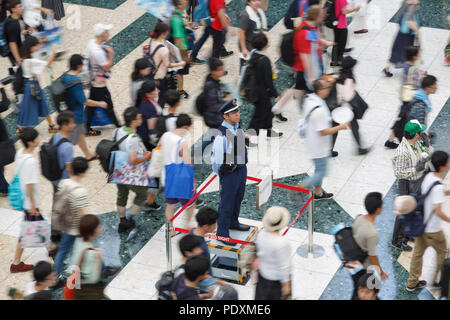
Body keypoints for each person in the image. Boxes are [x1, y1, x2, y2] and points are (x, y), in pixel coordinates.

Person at [274, 6, 333, 116]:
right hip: (305, 68)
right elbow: (304, 55)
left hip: (311, 66)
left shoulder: (310, 27)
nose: (323, 17)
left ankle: (281, 107)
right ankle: (279, 108)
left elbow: (314, 39)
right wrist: (310, 75)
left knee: (299, 89)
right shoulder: (303, 33)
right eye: (321, 15)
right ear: (316, 17)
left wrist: (323, 42)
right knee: (299, 90)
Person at [296, 79, 350, 200]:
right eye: (327, 87)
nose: (329, 89)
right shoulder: (319, 111)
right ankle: (302, 186)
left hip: (312, 142)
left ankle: (318, 193)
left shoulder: (310, 99)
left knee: (318, 169)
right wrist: (340, 127)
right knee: (321, 172)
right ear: (320, 91)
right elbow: (323, 132)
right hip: (319, 146)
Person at [407, 151, 450, 292]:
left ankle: (412, 283)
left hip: (422, 226)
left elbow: (431, 193)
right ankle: (435, 281)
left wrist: (447, 192)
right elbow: (437, 211)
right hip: (433, 230)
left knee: (417, 255)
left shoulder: (429, 177)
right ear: (443, 166)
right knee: (442, 252)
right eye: (447, 162)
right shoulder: (437, 186)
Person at [211, 100, 249, 245]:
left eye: (238, 111)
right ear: (225, 116)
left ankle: (233, 222)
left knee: (238, 197)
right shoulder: (221, 136)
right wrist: (222, 175)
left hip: (241, 169)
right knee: (227, 202)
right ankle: (222, 233)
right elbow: (217, 160)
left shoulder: (236, 127)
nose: (238, 114)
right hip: (230, 173)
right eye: (234, 113)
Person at [392, 120, 433, 251]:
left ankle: (408, 234)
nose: (422, 134)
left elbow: (425, 155)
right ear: (415, 134)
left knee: (414, 207)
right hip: (407, 183)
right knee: (404, 209)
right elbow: (399, 173)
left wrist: (427, 145)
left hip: (418, 180)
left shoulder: (417, 143)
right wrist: (416, 169)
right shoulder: (402, 152)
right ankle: (396, 240)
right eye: (420, 132)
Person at [114, 107, 151, 233]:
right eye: (139, 118)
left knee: (121, 195)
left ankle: (122, 221)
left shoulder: (118, 130)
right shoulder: (133, 138)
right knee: (141, 194)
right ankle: (130, 220)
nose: (141, 119)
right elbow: (133, 160)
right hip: (132, 173)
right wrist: (146, 157)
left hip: (119, 169)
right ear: (133, 121)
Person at [53, 157, 90, 285]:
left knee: (63, 250)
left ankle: (55, 277)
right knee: (79, 251)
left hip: (64, 223)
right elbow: (81, 214)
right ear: (83, 172)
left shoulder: (64, 183)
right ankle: (78, 276)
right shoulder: (80, 191)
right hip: (75, 228)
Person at [65, 54, 108, 159]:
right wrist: (100, 103)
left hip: (67, 111)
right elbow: (84, 101)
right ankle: (63, 159)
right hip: (75, 115)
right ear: (79, 66)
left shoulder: (66, 76)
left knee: (79, 134)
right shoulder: (76, 82)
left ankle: (87, 154)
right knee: (70, 139)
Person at [160, 114, 197, 236]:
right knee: (190, 204)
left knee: (170, 204)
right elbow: (187, 163)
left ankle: (171, 229)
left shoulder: (165, 135)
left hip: (167, 176)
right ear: (185, 127)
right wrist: (193, 181)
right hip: (180, 179)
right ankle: (187, 225)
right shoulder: (182, 142)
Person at [10, 127, 40, 273]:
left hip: (22, 198)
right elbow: (29, 185)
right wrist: (33, 206)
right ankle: (16, 263)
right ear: (30, 142)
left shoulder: (19, 153)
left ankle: (53, 247)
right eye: (36, 139)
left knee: (33, 227)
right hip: (29, 202)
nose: (38, 141)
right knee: (29, 229)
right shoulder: (31, 161)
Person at [385, 46, 426, 148]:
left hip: (405, 96)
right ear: (415, 56)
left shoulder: (406, 65)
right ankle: (392, 140)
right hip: (411, 99)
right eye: (418, 54)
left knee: (402, 118)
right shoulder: (414, 70)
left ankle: (391, 140)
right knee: (403, 119)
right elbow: (416, 85)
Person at [16, 36, 58, 135]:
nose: (38, 47)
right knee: (29, 106)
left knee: (40, 103)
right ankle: (21, 128)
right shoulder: (30, 61)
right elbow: (47, 63)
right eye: (36, 45)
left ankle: (51, 125)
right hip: (32, 86)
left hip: (31, 85)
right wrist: (54, 51)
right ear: (31, 47)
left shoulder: (26, 58)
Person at [85, 23, 121, 136]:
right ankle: (120, 128)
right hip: (99, 83)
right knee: (108, 106)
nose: (108, 34)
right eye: (107, 32)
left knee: (91, 106)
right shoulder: (98, 52)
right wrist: (111, 54)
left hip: (94, 81)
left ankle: (86, 127)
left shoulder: (91, 43)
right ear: (102, 35)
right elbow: (106, 67)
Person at [246, 33, 282, 145]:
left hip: (255, 89)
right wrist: (275, 94)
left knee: (268, 111)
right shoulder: (264, 60)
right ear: (265, 44)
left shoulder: (254, 54)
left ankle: (269, 131)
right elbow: (268, 81)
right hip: (261, 92)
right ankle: (246, 138)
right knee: (258, 115)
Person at [351, 192, 388, 300]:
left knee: (356, 286)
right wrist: (380, 272)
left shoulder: (359, 218)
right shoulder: (372, 233)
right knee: (365, 289)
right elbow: (373, 256)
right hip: (363, 265)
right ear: (378, 209)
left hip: (351, 260)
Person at [332, 56, 369, 155]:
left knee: (335, 128)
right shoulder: (348, 79)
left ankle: (329, 150)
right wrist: (354, 93)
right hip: (346, 108)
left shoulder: (338, 74)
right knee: (354, 127)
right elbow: (348, 97)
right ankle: (360, 148)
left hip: (336, 106)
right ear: (351, 67)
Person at [254, 206, 292, 300]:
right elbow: (284, 266)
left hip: (262, 277)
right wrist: (286, 285)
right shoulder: (281, 243)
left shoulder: (261, 234)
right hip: (275, 282)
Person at [148, 22, 186, 106]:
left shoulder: (152, 41)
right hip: (161, 75)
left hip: (153, 72)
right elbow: (168, 65)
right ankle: (159, 112)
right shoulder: (163, 50)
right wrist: (180, 64)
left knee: (159, 93)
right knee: (162, 97)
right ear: (163, 33)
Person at [198, 57, 231, 153]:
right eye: (220, 70)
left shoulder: (212, 81)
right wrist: (225, 101)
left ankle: (201, 150)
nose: (222, 71)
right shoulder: (211, 86)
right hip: (213, 117)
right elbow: (213, 106)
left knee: (216, 134)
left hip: (213, 116)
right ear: (213, 72)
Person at [383, 0, 420, 77]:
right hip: (408, 34)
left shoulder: (405, 2)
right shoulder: (412, 6)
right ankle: (410, 71)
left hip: (401, 32)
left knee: (397, 52)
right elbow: (409, 21)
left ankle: (387, 68)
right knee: (408, 52)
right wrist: (417, 31)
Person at [70, 214, 104, 296]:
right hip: (86, 289)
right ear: (92, 231)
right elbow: (94, 279)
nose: (100, 228)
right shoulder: (92, 253)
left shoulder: (79, 240)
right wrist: (99, 257)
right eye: (98, 227)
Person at [50, 111, 76, 189]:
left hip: (54, 178)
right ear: (64, 126)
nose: (74, 125)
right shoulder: (67, 146)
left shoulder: (55, 136)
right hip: (64, 182)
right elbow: (69, 168)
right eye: (72, 123)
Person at [171, 0, 191, 99]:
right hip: (179, 49)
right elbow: (178, 39)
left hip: (179, 46)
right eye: (184, 1)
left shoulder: (180, 12)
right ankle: (180, 90)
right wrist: (184, 56)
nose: (187, 2)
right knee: (180, 70)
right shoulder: (176, 19)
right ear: (179, 5)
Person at [238, 0, 267, 70]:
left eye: (258, 0)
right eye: (254, 0)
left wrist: (264, 41)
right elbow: (241, 32)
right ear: (249, 2)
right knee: (246, 68)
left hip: (255, 44)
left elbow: (261, 28)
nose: (257, 2)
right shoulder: (245, 16)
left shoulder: (260, 12)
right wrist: (244, 49)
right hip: (247, 46)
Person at [331, 0, 360, 67]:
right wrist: (354, 9)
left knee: (336, 42)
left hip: (336, 23)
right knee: (341, 44)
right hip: (341, 24)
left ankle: (334, 60)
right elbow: (344, 11)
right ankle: (339, 60)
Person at [135, 80, 162, 151]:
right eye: (155, 90)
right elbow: (151, 130)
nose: (158, 91)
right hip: (147, 140)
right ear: (148, 94)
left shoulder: (145, 100)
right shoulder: (148, 107)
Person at [4, 0, 25, 66]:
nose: (22, 8)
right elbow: (12, 44)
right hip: (15, 54)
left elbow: (20, 31)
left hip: (22, 49)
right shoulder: (11, 24)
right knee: (19, 73)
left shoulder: (19, 17)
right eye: (19, 7)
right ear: (13, 10)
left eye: (21, 6)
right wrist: (18, 60)